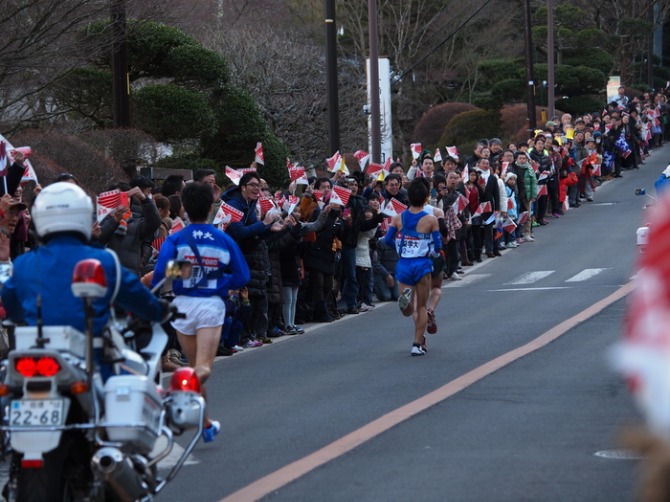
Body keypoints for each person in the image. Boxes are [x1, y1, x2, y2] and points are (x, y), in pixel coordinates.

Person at [1, 182, 172, 377]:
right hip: (91, 356)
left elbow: (12, 308)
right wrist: (160, 310)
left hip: (36, 357)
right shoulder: (103, 259)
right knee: (126, 388)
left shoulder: (23, 264)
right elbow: (138, 297)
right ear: (83, 216)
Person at [152, 182, 250, 443]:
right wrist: (220, 282)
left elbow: (162, 274)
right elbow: (242, 276)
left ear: (183, 207)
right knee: (202, 368)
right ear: (210, 207)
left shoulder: (176, 238)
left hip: (182, 305)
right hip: (210, 305)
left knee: (193, 368)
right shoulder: (223, 238)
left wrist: (184, 274)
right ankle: (175, 390)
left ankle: (205, 424)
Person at [383, 178, 441, 357]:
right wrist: (432, 251)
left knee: (409, 304)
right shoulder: (431, 220)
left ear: (408, 197)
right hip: (422, 264)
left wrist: (400, 249)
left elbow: (386, 240)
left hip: (404, 263)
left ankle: (405, 303)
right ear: (425, 199)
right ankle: (416, 344)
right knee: (422, 307)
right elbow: (438, 246)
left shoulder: (398, 218)